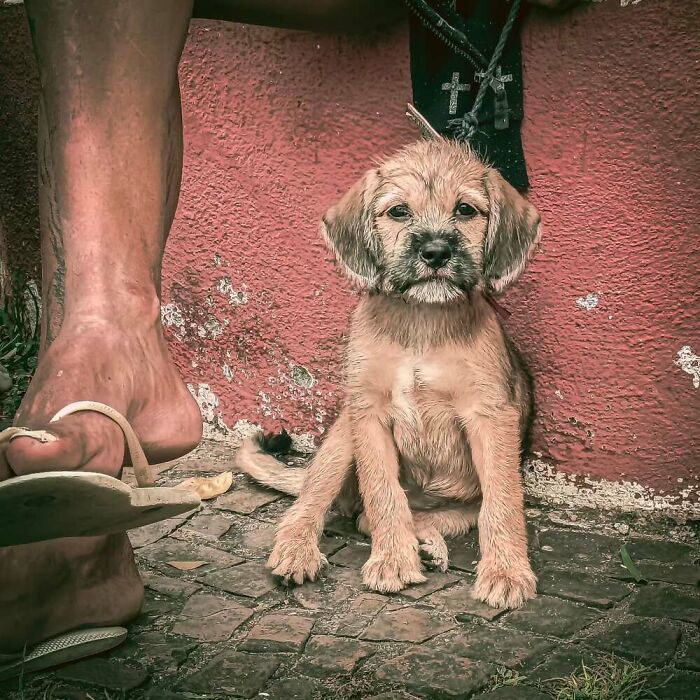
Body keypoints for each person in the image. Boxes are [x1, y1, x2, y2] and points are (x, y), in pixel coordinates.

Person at [0, 0, 573, 657]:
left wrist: (495, 549)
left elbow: (492, 430)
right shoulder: (373, 310)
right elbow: (366, 425)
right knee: (360, 418)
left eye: (467, 213)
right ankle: (114, 334)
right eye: (398, 216)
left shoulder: (477, 321)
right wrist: (350, 524)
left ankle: (113, 344)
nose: (436, 243)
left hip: (455, 491)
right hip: (387, 464)